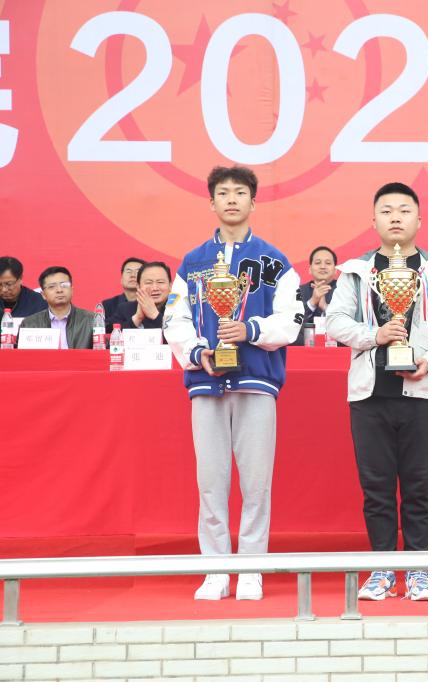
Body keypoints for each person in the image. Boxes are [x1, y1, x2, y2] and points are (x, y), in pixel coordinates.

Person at [164, 165, 302, 601]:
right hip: (206, 381)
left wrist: (251, 331)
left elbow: (291, 321)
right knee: (210, 481)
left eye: (240, 192)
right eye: (222, 193)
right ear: (211, 203)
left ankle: (251, 570)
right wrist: (197, 352)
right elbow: (174, 319)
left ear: (253, 202)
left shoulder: (275, 261)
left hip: (257, 380)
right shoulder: (193, 263)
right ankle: (216, 570)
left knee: (256, 483)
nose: (231, 199)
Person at [325, 182, 428, 602]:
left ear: (419, 220)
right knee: (377, 486)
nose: (396, 218)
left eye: (404, 210)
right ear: (374, 221)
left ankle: (418, 569)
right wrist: (376, 335)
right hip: (370, 394)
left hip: (422, 390)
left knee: (419, 485)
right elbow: (335, 321)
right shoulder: (356, 271)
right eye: (386, 211)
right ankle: (383, 568)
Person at [19, 267, 95, 349]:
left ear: (72, 290)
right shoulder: (29, 324)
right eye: (52, 286)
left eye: (64, 285)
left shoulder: (92, 320)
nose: (59, 290)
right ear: (43, 295)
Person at [292, 245, 338, 346]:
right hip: (303, 348)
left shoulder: (344, 290)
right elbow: (292, 324)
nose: (323, 266)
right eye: (318, 263)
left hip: (337, 347)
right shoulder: (298, 291)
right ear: (310, 269)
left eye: (328, 263)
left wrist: (325, 307)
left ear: (335, 270)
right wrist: (312, 302)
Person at [109, 261, 172, 331]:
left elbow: (178, 334)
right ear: (138, 286)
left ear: (170, 286)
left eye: (160, 282)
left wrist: (155, 315)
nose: (154, 288)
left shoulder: (178, 309)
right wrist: (137, 319)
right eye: (148, 282)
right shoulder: (124, 309)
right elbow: (110, 333)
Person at [100, 258, 144, 332]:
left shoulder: (152, 304)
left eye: (138, 272)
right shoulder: (108, 305)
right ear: (121, 279)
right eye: (128, 271)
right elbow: (103, 329)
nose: (133, 275)